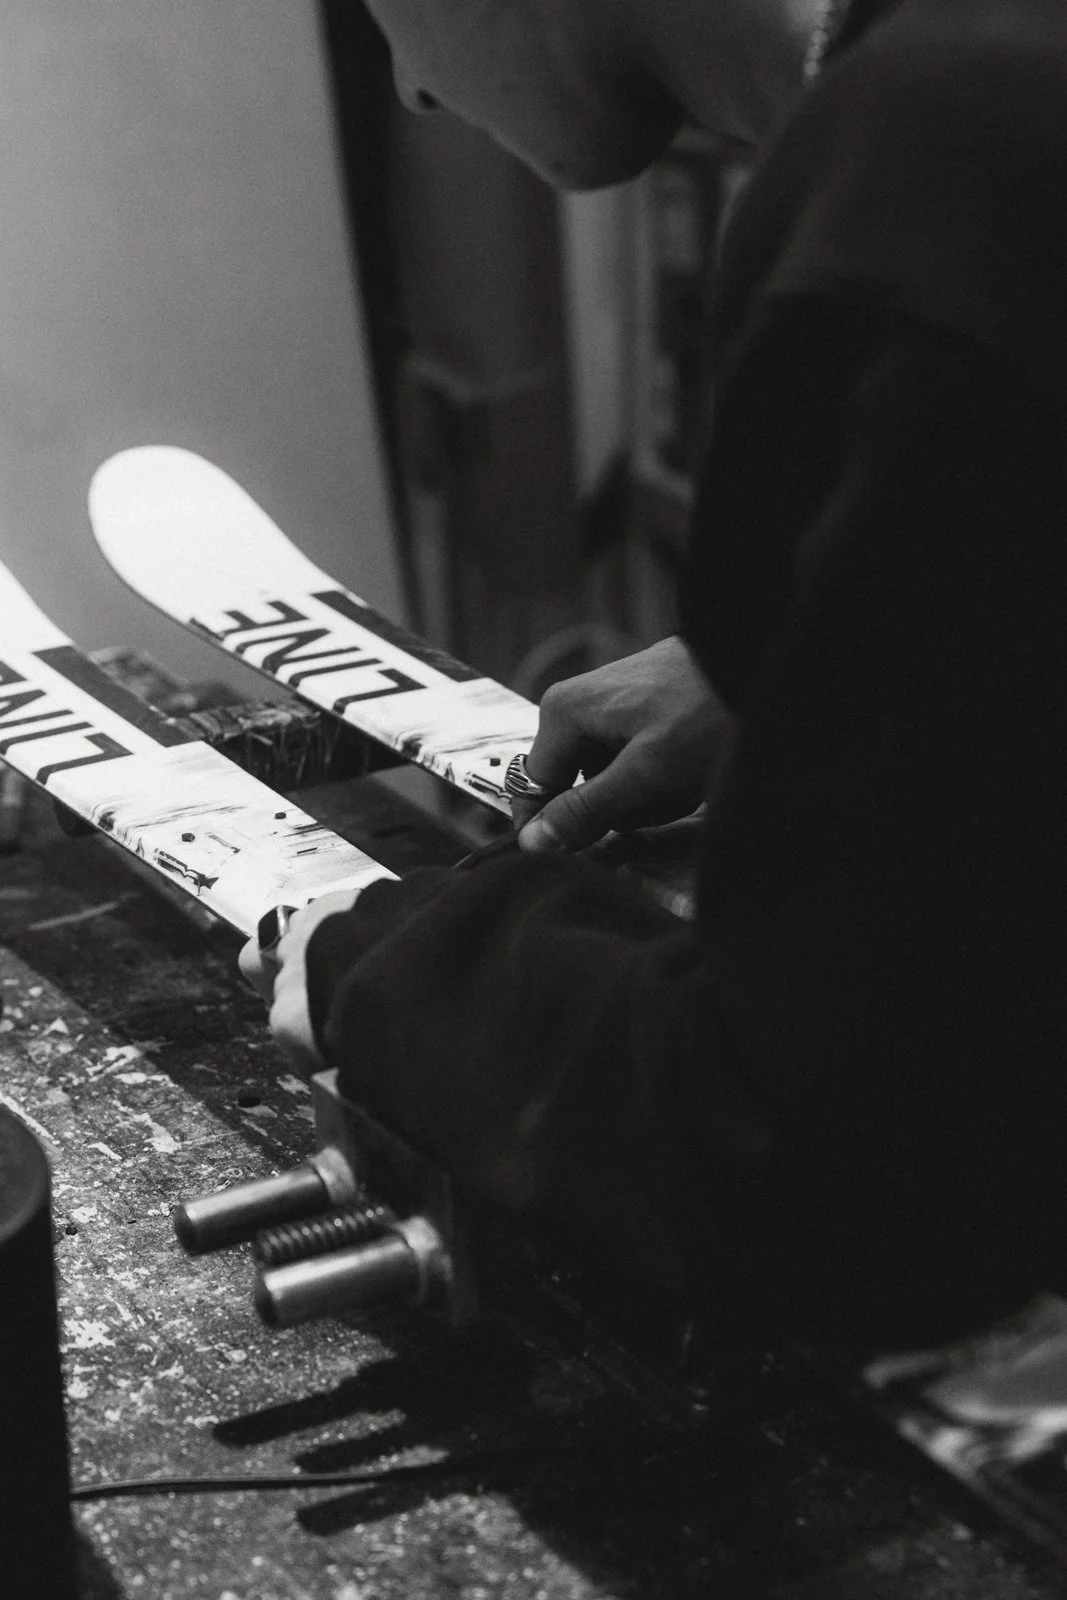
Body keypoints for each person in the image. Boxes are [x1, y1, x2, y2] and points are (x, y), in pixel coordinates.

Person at [241, 0, 1067, 1353]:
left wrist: (403, 979)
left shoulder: (944, 156)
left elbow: (833, 1174)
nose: (413, 94)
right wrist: (832, 644)